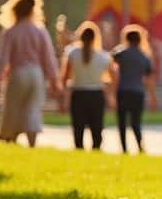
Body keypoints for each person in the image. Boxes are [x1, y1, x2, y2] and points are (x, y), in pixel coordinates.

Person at [0, 0, 61, 146]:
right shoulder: (40, 31)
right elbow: (48, 58)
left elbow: (3, 58)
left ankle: (10, 139)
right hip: (36, 74)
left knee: (13, 108)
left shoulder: (11, 31)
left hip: (17, 73)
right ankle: (32, 143)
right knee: (33, 108)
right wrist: (55, 80)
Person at [60, 21, 113, 152]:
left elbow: (65, 77)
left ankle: (79, 150)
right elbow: (114, 75)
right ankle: (96, 150)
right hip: (96, 94)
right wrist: (110, 92)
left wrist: (63, 97)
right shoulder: (102, 56)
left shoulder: (72, 53)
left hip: (78, 94)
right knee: (96, 126)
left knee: (78, 126)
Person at [111, 25, 156, 154]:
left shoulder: (121, 54)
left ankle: (124, 149)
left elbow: (110, 65)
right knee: (136, 122)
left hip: (123, 91)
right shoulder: (144, 57)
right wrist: (153, 97)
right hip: (138, 92)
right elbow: (148, 79)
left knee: (122, 122)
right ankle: (140, 146)